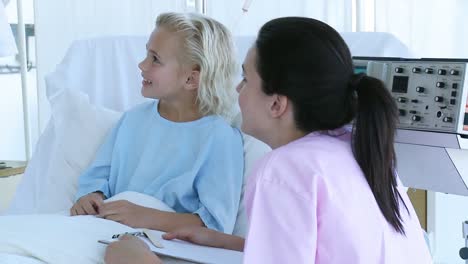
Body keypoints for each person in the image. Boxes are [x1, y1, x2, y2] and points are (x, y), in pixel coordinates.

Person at [105, 16, 433, 263]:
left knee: (121, 256)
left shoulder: (284, 170)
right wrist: (228, 241)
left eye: (246, 78)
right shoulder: (356, 149)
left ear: (277, 104)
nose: (237, 91)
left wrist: (138, 258)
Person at [70, 12, 244, 235]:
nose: (142, 65)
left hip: (159, 244)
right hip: (105, 230)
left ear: (191, 79)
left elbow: (216, 224)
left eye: (155, 59)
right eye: (146, 54)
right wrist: (90, 196)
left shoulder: (219, 138)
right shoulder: (133, 119)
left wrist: (147, 217)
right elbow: (96, 176)